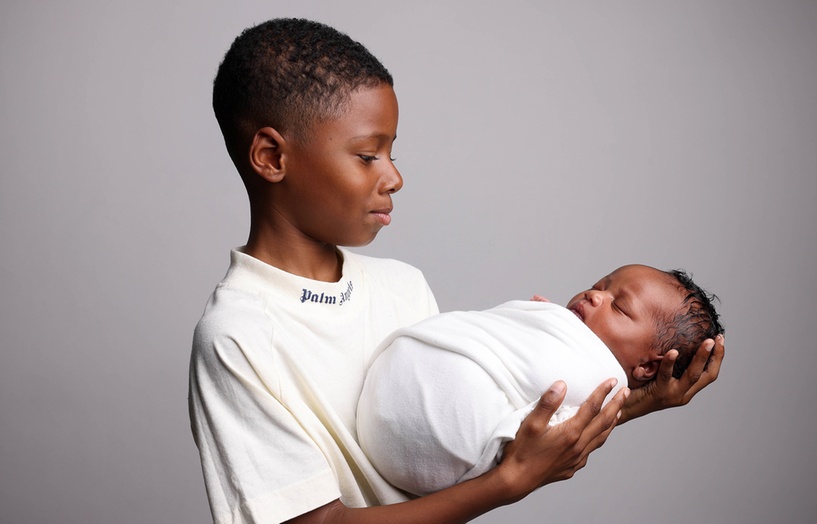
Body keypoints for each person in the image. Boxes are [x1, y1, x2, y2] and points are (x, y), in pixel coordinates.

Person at [188, 17, 725, 524]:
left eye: (393, 152)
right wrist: (508, 485)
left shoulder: (401, 284)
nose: (394, 177)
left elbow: (460, 451)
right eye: (367, 155)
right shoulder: (238, 334)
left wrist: (631, 404)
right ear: (271, 157)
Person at [358, 264, 723, 495]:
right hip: (394, 402)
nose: (595, 295)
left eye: (619, 306)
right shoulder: (554, 325)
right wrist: (535, 322)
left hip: (433, 448)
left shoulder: (597, 382)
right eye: (601, 285)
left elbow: (550, 425)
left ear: (646, 368)